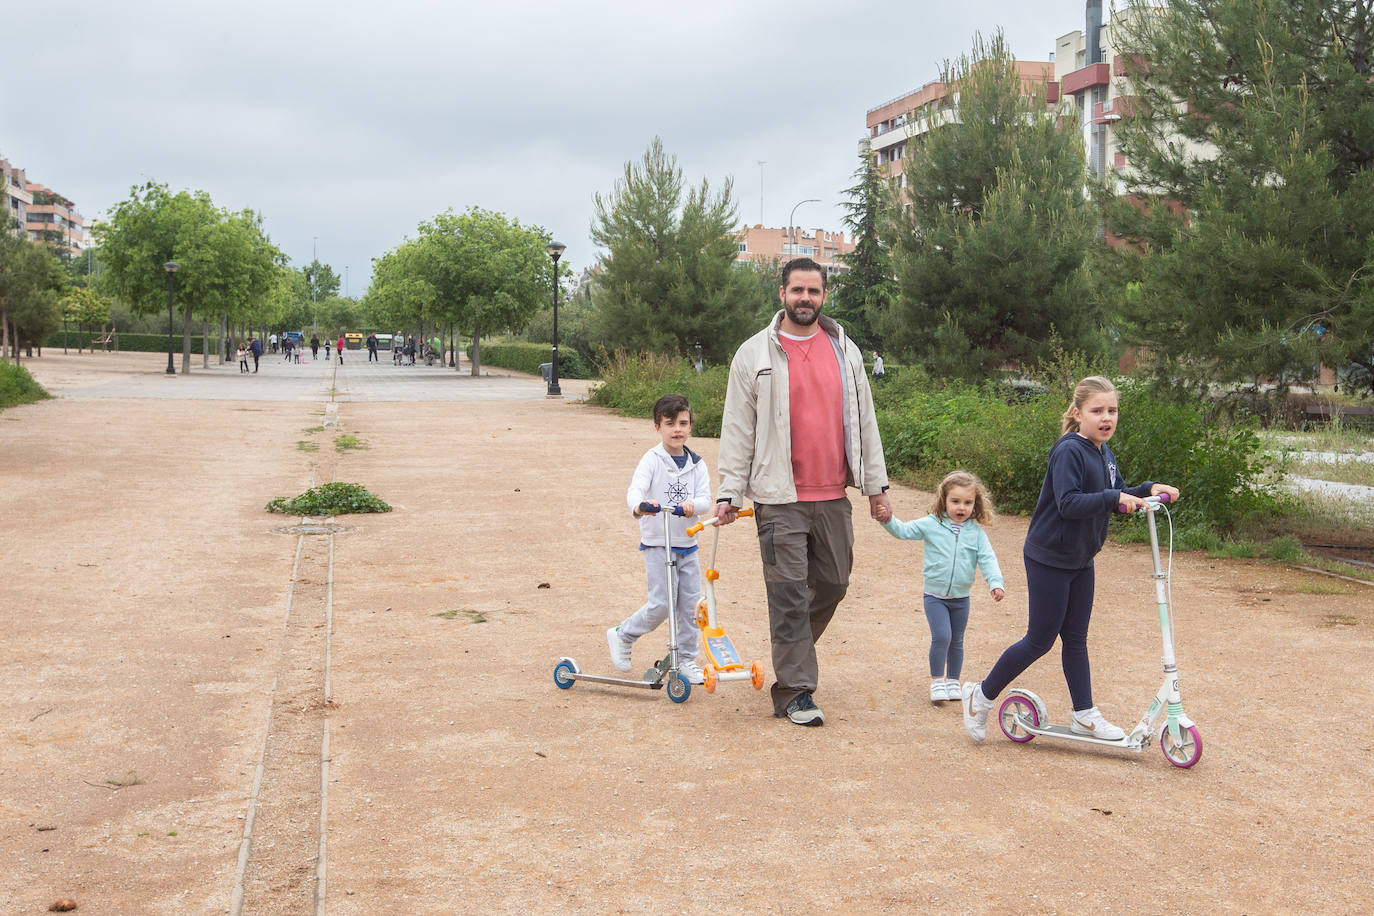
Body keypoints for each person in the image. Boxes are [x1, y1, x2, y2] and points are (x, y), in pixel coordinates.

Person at [712, 257, 891, 726]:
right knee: (789, 592)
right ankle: (795, 690)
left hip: (834, 494)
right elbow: (737, 428)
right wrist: (729, 492)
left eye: (813, 291)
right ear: (782, 293)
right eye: (797, 290)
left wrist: (876, 486)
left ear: (824, 295)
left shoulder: (845, 351)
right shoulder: (754, 354)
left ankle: (791, 650)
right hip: (778, 497)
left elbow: (866, 422)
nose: (805, 299)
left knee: (835, 582)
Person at [961, 376, 1181, 742]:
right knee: (1039, 640)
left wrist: (1147, 490)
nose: (1106, 417)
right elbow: (1069, 502)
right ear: (1078, 413)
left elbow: (1117, 490)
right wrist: (1114, 499)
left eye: (1112, 411)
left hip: (1081, 559)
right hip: (1049, 557)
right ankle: (980, 696)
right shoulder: (1069, 450)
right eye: (1097, 411)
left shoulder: (1102, 452)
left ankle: (1084, 714)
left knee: (1076, 639)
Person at [607, 394, 712, 685]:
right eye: (670, 424)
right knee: (662, 604)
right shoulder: (652, 460)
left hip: (687, 544)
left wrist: (694, 505)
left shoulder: (696, 464)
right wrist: (640, 505)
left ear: (690, 426)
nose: (677, 429)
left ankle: (687, 658)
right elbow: (635, 490)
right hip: (658, 543)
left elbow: (705, 499)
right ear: (657, 427)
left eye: (683, 423)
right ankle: (623, 634)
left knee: (691, 605)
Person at [878, 470, 1005, 704]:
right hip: (935, 596)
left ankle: (953, 681)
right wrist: (888, 520)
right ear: (943, 500)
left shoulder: (976, 533)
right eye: (955, 501)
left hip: (961, 598)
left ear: (975, 504)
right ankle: (938, 681)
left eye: (967, 503)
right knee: (942, 636)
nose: (961, 507)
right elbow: (904, 531)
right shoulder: (931, 524)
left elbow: (988, 559)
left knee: (957, 640)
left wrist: (995, 583)